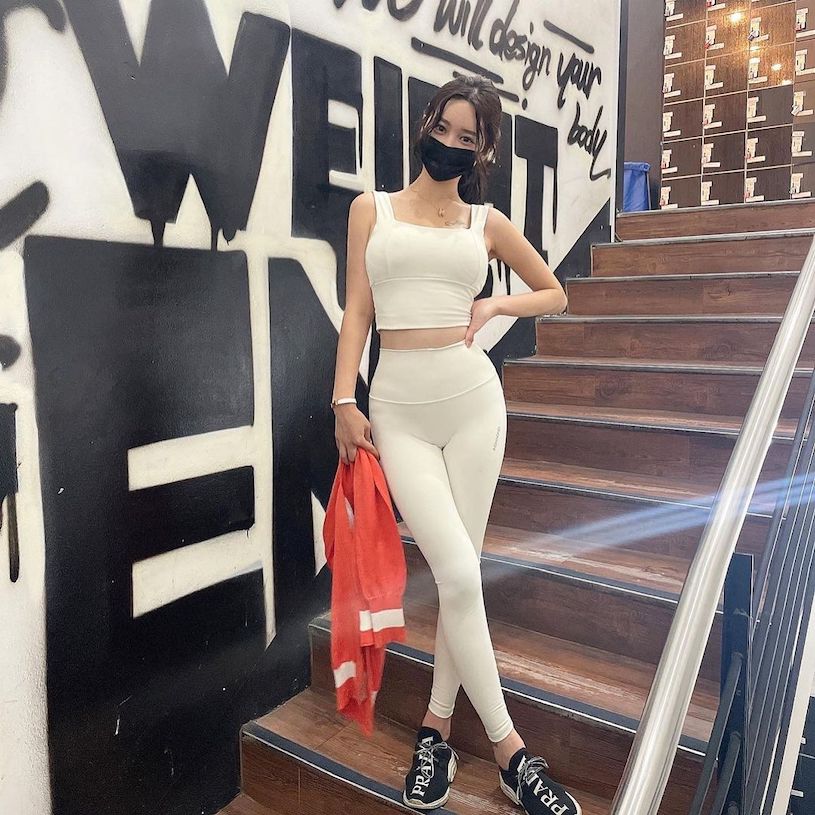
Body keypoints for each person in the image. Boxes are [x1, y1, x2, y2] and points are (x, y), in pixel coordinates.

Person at [329, 74, 580, 815]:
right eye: (442, 127)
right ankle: (512, 753)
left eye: (466, 137)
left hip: (473, 404)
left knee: (458, 577)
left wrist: (496, 302)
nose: (447, 143)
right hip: (397, 411)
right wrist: (343, 400)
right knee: (461, 575)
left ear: (482, 150)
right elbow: (357, 312)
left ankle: (435, 731)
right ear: (425, 124)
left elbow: (555, 291)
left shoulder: (485, 222)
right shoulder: (370, 209)